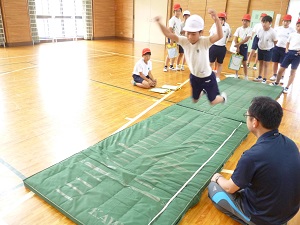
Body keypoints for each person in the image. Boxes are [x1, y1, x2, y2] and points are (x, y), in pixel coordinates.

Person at [208, 96, 300, 225]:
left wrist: (217, 178)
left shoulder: (252, 156)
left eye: (247, 115)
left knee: (214, 189)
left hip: (265, 217)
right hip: (289, 212)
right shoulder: (290, 144)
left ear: (255, 122)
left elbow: (230, 188)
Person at [155, 9, 227, 105]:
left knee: (213, 101)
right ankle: (204, 91)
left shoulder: (204, 42)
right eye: (188, 33)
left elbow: (219, 35)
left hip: (207, 77)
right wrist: (159, 22)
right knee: (195, 100)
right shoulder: (184, 41)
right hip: (194, 77)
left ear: (201, 33)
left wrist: (217, 20)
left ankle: (223, 98)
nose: (190, 37)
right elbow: (169, 34)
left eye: (193, 34)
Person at [270, 19, 300, 94]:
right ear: (296, 26)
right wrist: (287, 49)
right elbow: (288, 42)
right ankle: (276, 82)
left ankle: (287, 87)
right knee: (281, 69)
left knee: (293, 71)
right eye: (298, 26)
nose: (299, 28)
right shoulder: (292, 34)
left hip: (297, 55)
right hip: (289, 52)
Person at [269, 14, 295, 84]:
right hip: (276, 47)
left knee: (283, 64)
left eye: (287, 21)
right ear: (282, 21)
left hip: (285, 49)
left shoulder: (292, 31)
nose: (285, 22)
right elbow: (273, 37)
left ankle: (282, 77)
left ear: (290, 22)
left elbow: (293, 40)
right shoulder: (277, 29)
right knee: (275, 62)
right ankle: (274, 75)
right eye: (284, 21)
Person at [253, 15, 277, 84]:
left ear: (269, 23)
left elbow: (275, 41)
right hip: (260, 48)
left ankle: (264, 78)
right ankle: (259, 77)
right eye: (262, 22)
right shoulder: (260, 30)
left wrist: (273, 49)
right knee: (260, 62)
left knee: (266, 64)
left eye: (265, 22)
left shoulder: (272, 32)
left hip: (268, 49)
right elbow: (258, 38)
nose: (263, 24)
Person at [209, 12, 231, 82]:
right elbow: (211, 36)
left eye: (222, 19)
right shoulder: (213, 26)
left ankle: (217, 77)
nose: (220, 21)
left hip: (222, 48)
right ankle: (208, 76)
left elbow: (229, 36)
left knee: (220, 63)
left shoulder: (227, 28)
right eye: (219, 19)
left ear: (224, 20)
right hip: (214, 46)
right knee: (211, 62)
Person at [163, 3, 182, 72]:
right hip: (172, 38)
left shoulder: (179, 20)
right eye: (176, 11)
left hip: (177, 38)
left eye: (179, 10)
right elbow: (170, 29)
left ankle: (171, 65)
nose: (178, 12)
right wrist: (171, 39)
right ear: (174, 12)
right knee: (170, 53)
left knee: (175, 53)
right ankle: (165, 66)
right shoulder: (172, 20)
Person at [232, 14, 252, 80]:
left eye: (246, 21)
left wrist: (238, 44)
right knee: (236, 60)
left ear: (249, 22)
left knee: (244, 62)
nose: (245, 22)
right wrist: (237, 46)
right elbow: (235, 37)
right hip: (237, 45)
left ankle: (246, 76)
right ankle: (236, 74)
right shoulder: (238, 29)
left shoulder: (249, 29)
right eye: (244, 20)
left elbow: (246, 39)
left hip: (244, 46)